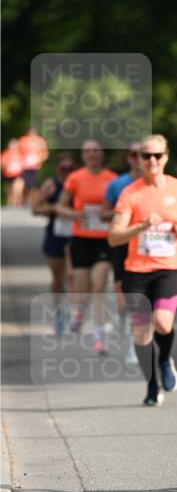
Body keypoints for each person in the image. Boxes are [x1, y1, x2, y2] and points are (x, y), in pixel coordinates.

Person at [108, 134, 177, 407]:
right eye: (145, 156)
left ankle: (164, 359)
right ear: (138, 159)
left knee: (162, 322)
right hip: (136, 269)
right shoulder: (130, 193)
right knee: (141, 333)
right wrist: (140, 226)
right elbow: (114, 236)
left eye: (157, 155)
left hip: (170, 266)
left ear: (166, 157)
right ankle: (151, 384)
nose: (151, 161)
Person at [55, 140, 116, 352]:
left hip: (104, 238)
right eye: (88, 151)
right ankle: (78, 311)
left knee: (99, 285)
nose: (92, 155)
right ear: (83, 156)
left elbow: (123, 207)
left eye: (96, 151)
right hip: (81, 237)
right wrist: (76, 214)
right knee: (81, 287)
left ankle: (99, 334)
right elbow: (60, 207)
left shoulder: (112, 179)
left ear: (102, 154)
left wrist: (107, 215)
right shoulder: (75, 178)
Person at [101, 143, 143, 363]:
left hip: (149, 248)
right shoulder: (118, 184)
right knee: (123, 297)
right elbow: (103, 213)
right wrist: (121, 215)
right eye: (135, 155)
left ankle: (135, 346)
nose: (140, 159)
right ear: (129, 158)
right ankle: (124, 324)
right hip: (123, 244)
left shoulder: (159, 184)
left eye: (144, 154)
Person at [31, 155, 77, 334]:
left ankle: (73, 312)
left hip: (74, 235)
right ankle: (58, 310)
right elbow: (35, 209)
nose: (67, 172)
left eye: (70, 168)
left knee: (72, 275)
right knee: (58, 280)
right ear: (58, 169)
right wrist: (54, 208)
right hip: (55, 235)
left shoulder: (78, 183)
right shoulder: (51, 185)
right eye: (63, 168)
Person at [18, 127, 49, 202]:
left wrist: (40, 160)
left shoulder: (40, 141)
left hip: (36, 167)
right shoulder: (23, 140)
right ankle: (26, 198)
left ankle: (33, 200)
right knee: (26, 184)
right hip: (26, 166)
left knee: (34, 184)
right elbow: (18, 153)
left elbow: (45, 153)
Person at [1, 139, 25, 207]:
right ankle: (10, 203)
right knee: (10, 190)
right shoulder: (6, 154)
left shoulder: (20, 154)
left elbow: (23, 164)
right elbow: (2, 164)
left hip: (18, 175)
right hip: (8, 175)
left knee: (18, 190)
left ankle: (18, 204)